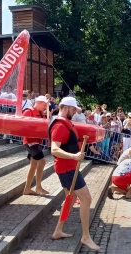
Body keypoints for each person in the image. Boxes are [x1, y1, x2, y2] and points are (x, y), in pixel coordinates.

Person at [48, 96, 99, 251]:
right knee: (87, 199)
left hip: (68, 168)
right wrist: (74, 156)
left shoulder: (65, 123)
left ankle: (57, 231)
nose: (75, 112)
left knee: (70, 200)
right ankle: (85, 237)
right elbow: (54, 149)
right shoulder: (60, 125)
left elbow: (68, 142)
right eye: (73, 109)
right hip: (67, 169)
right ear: (66, 107)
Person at [22, 95, 50, 195]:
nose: (46, 106)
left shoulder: (41, 113)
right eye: (44, 104)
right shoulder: (28, 111)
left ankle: (27, 188)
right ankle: (38, 187)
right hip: (30, 141)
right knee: (42, 162)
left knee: (34, 164)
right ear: (39, 102)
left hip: (37, 141)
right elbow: (24, 126)